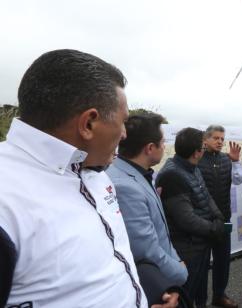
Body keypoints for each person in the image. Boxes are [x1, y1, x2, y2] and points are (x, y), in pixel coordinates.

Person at [0, 49, 177, 307]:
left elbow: (109, 262)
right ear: (89, 124)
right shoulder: (7, 202)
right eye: (123, 121)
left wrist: (143, 293)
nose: (125, 134)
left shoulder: (94, 172)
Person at [106, 113, 189, 305]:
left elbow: (161, 235)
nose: (165, 146)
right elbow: (145, 249)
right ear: (150, 148)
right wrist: (180, 271)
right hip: (152, 284)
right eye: (163, 142)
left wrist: (175, 260)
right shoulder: (125, 186)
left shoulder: (135, 172)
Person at [156, 127, 226, 308]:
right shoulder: (172, 175)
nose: (204, 150)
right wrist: (215, 228)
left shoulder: (191, 167)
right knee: (187, 295)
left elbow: (206, 195)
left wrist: (218, 217)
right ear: (196, 153)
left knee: (201, 292)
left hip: (201, 243)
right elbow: (186, 219)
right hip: (188, 248)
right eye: (202, 147)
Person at [198, 125, 242, 308]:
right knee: (201, 264)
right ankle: (200, 301)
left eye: (222, 139)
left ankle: (219, 296)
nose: (219, 141)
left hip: (224, 219)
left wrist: (235, 161)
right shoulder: (197, 158)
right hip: (201, 221)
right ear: (205, 140)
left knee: (222, 261)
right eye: (216, 138)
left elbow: (239, 180)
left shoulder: (227, 159)